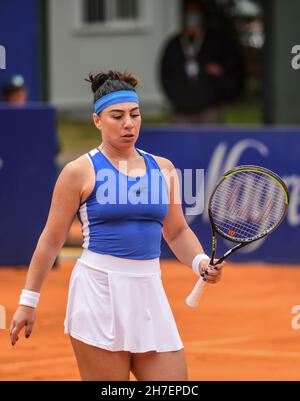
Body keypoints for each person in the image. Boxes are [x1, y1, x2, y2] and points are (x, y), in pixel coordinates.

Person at [10, 70, 224, 381]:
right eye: (117, 115)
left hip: (150, 294)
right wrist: (28, 302)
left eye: (135, 115)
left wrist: (200, 262)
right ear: (97, 120)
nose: (129, 123)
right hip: (98, 295)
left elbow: (176, 232)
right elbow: (51, 240)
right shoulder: (78, 172)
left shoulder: (163, 169)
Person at [159, 0, 245, 124]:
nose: (192, 18)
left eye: (195, 14)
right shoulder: (174, 44)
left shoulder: (216, 41)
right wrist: (175, 98)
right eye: (189, 14)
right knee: (182, 142)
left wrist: (220, 72)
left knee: (210, 141)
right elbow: (165, 73)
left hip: (209, 108)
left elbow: (233, 66)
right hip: (182, 108)